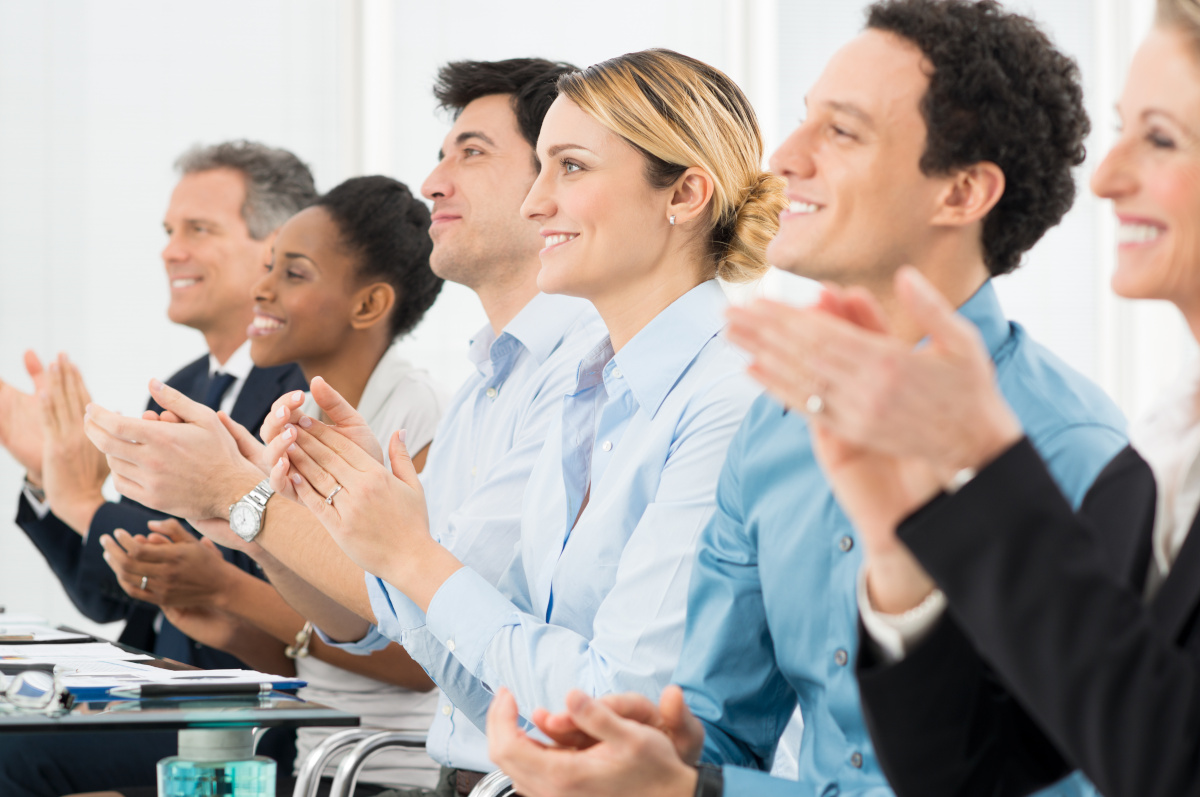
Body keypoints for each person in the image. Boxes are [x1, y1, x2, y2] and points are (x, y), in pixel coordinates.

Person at [85, 48, 784, 797]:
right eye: (541, 167)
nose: (536, 202)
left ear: (683, 196)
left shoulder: (727, 395)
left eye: (570, 168)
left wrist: (369, 543)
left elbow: (614, 711)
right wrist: (344, 519)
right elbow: (458, 659)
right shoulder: (586, 387)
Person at [483, 2, 1130, 796]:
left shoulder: (1071, 448)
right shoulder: (775, 428)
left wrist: (695, 789)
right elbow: (722, 721)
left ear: (961, 193)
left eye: (843, 132)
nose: (785, 158)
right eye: (802, 122)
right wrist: (655, 748)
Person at [730, 2, 1200, 796]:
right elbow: (981, 771)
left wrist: (988, 466)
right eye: (1124, 129)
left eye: (1161, 137)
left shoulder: (1086, 441)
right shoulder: (1161, 455)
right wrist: (897, 548)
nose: (1109, 177)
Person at [101, 175, 447, 795]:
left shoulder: (412, 418)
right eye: (268, 268)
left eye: (293, 273)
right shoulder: (303, 418)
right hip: (318, 760)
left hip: (387, 772)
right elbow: (320, 651)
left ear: (368, 305)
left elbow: (421, 653)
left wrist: (232, 586)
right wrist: (220, 616)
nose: (261, 289)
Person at [0, 140, 314, 797]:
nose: (171, 250)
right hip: (156, 684)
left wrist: (84, 498)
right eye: (169, 231)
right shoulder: (183, 386)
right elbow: (112, 593)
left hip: (247, 715)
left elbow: (259, 573)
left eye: (199, 229)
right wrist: (48, 479)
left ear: (277, 246)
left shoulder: (306, 390)